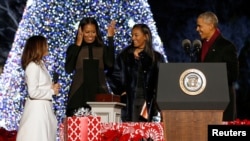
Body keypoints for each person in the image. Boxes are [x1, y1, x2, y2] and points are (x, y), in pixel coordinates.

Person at [106, 24, 166, 122]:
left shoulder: (156, 58)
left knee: (145, 132)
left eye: (136, 35)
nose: (133, 38)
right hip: (130, 102)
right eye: (132, 35)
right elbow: (112, 74)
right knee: (131, 131)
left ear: (146, 36)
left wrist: (158, 102)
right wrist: (121, 91)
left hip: (147, 103)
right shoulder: (125, 56)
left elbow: (162, 82)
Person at [65, 17, 116, 116]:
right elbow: (68, 68)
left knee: (101, 129)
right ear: (81, 31)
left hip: (100, 95)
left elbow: (110, 64)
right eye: (87, 32)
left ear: (97, 32)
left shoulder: (102, 48)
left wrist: (110, 38)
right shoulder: (73, 48)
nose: (90, 35)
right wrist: (78, 45)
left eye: (93, 32)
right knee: (79, 129)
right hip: (79, 96)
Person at [196, 11, 239, 121]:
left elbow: (233, 75)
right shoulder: (201, 46)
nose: (197, 29)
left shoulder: (226, 46)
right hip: (204, 99)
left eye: (200, 26)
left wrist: (212, 75)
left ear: (210, 26)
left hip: (222, 101)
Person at [16, 35, 60, 141]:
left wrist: (52, 87)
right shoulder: (33, 66)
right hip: (37, 111)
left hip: (45, 108)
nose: (47, 47)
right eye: (45, 45)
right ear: (38, 47)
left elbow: (41, 85)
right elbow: (33, 92)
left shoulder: (40, 64)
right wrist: (51, 91)